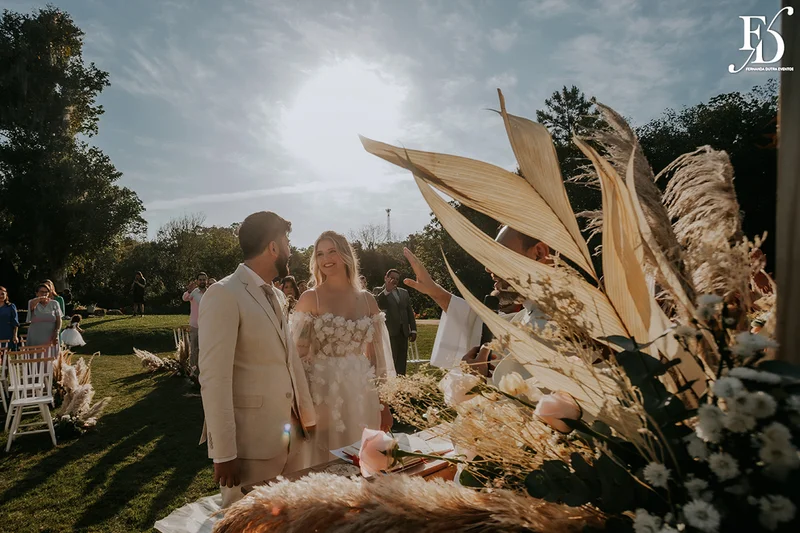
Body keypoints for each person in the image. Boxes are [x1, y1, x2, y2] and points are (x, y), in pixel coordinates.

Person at [198, 211, 316, 508]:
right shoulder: (223, 293)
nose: (290, 249)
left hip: (292, 436)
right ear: (273, 247)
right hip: (251, 445)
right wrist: (223, 453)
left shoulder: (276, 296)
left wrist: (306, 416)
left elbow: (288, 360)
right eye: (286, 241)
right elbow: (214, 377)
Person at [291, 230, 395, 466]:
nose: (326, 259)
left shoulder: (368, 300)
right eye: (319, 254)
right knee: (325, 459)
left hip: (362, 393)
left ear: (346, 254)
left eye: (332, 251)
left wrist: (384, 406)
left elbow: (379, 361)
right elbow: (295, 357)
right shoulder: (310, 298)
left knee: (362, 459)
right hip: (323, 392)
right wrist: (299, 408)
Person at [403, 226, 551, 375]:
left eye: (500, 255)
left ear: (538, 254)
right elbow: (481, 321)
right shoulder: (531, 312)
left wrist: (479, 382)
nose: (487, 268)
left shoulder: (560, 330)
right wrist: (435, 292)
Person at [373, 269, 417, 375]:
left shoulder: (404, 292)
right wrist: (387, 291)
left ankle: (401, 385)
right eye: (392, 278)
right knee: (390, 360)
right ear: (386, 278)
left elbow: (409, 312)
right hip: (389, 332)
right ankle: (391, 385)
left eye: (397, 279)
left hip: (404, 332)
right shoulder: (378, 291)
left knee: (402, 361)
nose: (395, 281)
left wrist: (413, 329)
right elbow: (379, 305)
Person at [182, 272, 209, 371]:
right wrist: (189, 291)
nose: (202, 281)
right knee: (194, 349)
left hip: (207, 326)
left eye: (204, 279)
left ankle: (204, 369)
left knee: (206, 349)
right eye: (200, 279)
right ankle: (193, 370)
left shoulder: (210, 292)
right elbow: (184, 298)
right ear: (197, 281)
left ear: (206, 280)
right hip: (195, 325)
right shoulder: (194, 292)